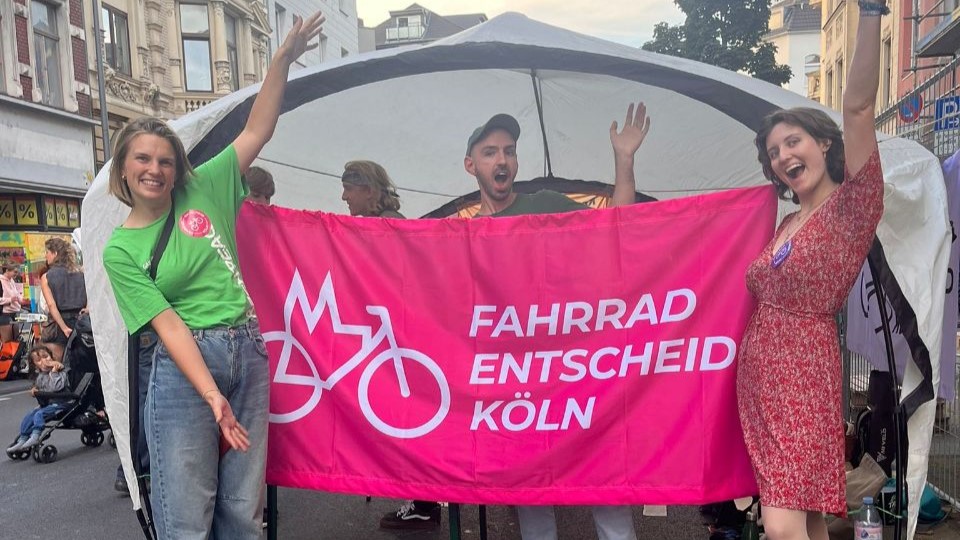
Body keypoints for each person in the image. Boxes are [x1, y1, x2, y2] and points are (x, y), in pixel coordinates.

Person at [101, 11, 324, 540]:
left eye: (165, 160)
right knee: (186, 517)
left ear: (178, 167)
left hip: (247, 348)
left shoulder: (205, 187)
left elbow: (258, 128)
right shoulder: (120, 250)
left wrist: (282, 59)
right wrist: (210, 394)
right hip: (185, 370)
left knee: (243, 514)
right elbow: (168, 327)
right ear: (124, 168)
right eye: (142, 159)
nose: (155, 169)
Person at [736, 3, 886, 539]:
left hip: (802, 378)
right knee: (811, 523)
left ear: (823, 142)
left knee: (781, 527)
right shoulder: (789, 221)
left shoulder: (852, 205)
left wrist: (870, 13)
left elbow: (860, 106)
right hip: (763, 385)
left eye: (793, 141)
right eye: (774, 151)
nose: (783, 156)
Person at [463, 109, 649, 540]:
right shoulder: (465, 237)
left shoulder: (545, 205)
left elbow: (616, 229)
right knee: (534, 497)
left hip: (576, 372)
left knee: (606, 487)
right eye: (489, 152)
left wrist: (624, 161)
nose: (502, 160)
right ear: (471, 165)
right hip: (518, 385)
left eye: (508, 151)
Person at [6, 346, 69, 455]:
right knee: (29, 415)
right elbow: (39, 388)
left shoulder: (61, 373)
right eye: (39, 360)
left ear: (52, 358)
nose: (44, 361)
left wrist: (54, 372)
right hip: (48, 404)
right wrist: (35, 390)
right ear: (36, 366)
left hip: (61, 404)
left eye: (46, 357)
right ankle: (23, 438)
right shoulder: (41, 376)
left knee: (39, 415)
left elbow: (56, 387)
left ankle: (35, 435)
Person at [40, 238, 87, 363]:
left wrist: (64, 327)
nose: (46, 256)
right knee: (81, 363)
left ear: (55, 253)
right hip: (81, 321)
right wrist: (87, 309)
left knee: (56, 363)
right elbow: (90, 296)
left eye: (47, 252)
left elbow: (51, 305)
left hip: (58, 325)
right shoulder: (81, 274)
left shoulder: (47, 277)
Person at [0, 262, 24, 347]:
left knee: (15, 340)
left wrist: (21, 300)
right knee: (7, 342)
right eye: (15, 272)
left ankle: (15, 359)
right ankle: (6, 359)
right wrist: (9, 300)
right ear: (7, 271)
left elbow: (16, 294)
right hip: (4, 314)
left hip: (15, 312)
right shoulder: (1, 281)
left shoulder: (12, 281)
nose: (16, 274)